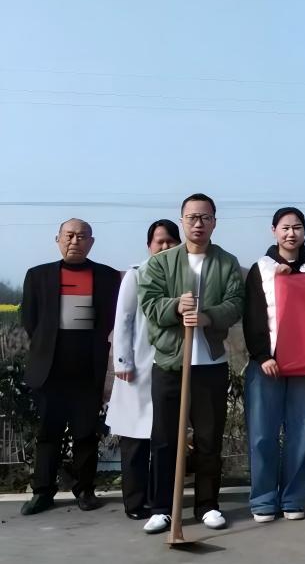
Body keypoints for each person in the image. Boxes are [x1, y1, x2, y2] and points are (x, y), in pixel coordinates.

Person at [139, 194, 245, 534]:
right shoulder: (161, 262)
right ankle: (162, 508)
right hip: (170, 363)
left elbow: (236, 303)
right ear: (182, 220)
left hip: (210, 363)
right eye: (192, 217)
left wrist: (208, 316)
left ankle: (207, 505)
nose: (198, 224)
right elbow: (149, 303)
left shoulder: (226, 262)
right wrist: (174, 306)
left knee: (208, 437)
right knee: (165, 438)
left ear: (214, 221)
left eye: (205, 217)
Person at [19, 219, 121, 516]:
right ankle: (42, 492)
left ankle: (85, 490)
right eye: (69, 235)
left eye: (82, 236)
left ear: (91, 242)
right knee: (48, 434)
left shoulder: (106, 276)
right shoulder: (38, 276)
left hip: (87, 371)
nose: (75, 241)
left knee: (86, 435)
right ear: (58, 239)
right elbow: (30, 321)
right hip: (50, 372)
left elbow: (110, 318)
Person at [243, 207, 305, 522]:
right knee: (263, 434)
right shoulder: (261, 268)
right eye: (285, 227)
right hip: (268, 364)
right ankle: (263, 499)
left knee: (301, 434)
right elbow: (252, 315)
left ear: (304, 231)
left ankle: (293, 498)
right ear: (274, 231)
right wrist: (262, 355)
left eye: (297, 227)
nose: (292, 233)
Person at [106, 220, 181, 521]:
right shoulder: (136, 275)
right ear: (149, 245)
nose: (164, 246)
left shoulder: (182, 276)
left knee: (162, 439)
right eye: (159, 241)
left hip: (168, 366)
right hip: (136, 368)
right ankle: (135, 502)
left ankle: (159, 500)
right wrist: (122, 361)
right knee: (135, 439)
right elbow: (123, 319)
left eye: (170, 241)